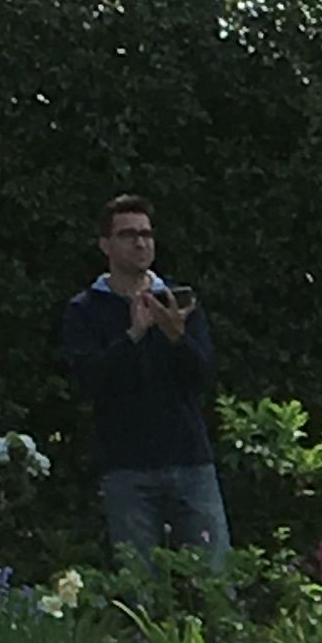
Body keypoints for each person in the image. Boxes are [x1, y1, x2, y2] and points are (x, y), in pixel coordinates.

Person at [56, 192, 228, 568]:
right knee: (139, 588)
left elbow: (204, 376)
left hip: (189, 460)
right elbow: (90, 381)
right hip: (127, 465)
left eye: (147, 234)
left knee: (214, 581)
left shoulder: (178, 302)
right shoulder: (85, 310)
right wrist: (133, 335)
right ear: (105, 244)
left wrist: (176, 335)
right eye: (128, 234)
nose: (140, 243)